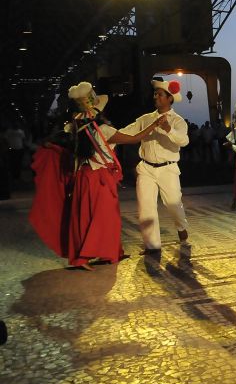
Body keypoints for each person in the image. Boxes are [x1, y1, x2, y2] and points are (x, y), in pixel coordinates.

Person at [30, 82, 165, 269]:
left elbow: (61, 144)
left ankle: (106, 254)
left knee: (84, 217)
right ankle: (88, 257)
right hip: (100, 177)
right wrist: (155, 124)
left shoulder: (77, 129)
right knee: (107, 217)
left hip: (83, 177)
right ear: (98, 111)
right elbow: (134, 139)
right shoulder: (105, 130)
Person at [118, 77, 190, 254]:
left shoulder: (178, 121)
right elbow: (128, 132)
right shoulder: (145, 119)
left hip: (168, 168)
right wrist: (107, 135)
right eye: (155, 94)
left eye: (159, 94)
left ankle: (181, 227)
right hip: (146, 169)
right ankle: (152, 245)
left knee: (173, 204)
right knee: (146, 207)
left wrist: (167, 129)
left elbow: (184, 141)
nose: (155, 97)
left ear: (170, 98)